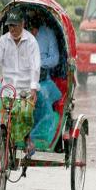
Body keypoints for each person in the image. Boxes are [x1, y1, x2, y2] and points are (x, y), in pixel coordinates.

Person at [0, 8, 40, 153]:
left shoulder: (31, 42)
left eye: (15, 25)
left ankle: (27, 138)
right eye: (10, 26)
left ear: (22, 23)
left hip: (25, 89)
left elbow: (35, 68)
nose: (12, 29)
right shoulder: (3, 41)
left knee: (25, 114)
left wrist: (33, 88)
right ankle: (1, 135)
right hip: (7, 87)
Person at [28, 12, 62, 147]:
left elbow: (54, 59)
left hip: (43, 80)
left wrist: (38, 64)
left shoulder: (48, 34)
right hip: (22, 78)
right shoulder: (20, 36)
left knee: (41, 96)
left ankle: (39, 137)